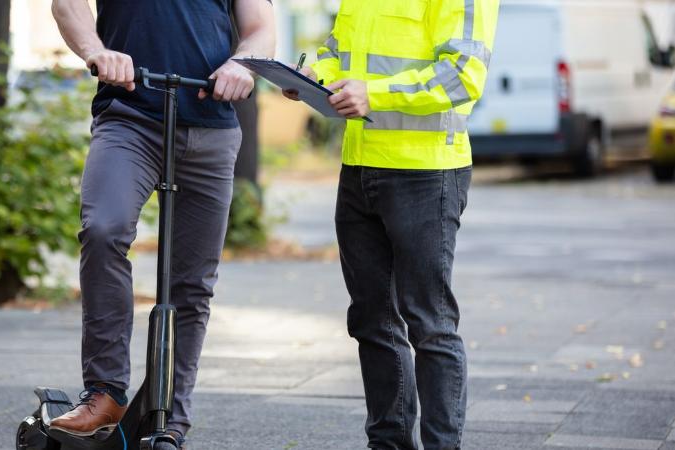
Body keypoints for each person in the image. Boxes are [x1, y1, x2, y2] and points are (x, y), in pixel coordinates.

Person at [49, 0, 275, 445]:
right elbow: (67, 4)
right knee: (103, 230)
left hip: (211, 123)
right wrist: (96, 50)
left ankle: (169, 417)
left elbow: (261, 26)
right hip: (130, 117)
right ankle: (105, 391)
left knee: (192, 283)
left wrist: (243, 65)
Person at [286, 1, 499, 449]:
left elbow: (462, 76)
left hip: (426, 174)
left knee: (430, 322)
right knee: (370, 319)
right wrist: (310, 81)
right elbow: (336, 50)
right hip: (359, 168)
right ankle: (388, 443)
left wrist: (374, 93)